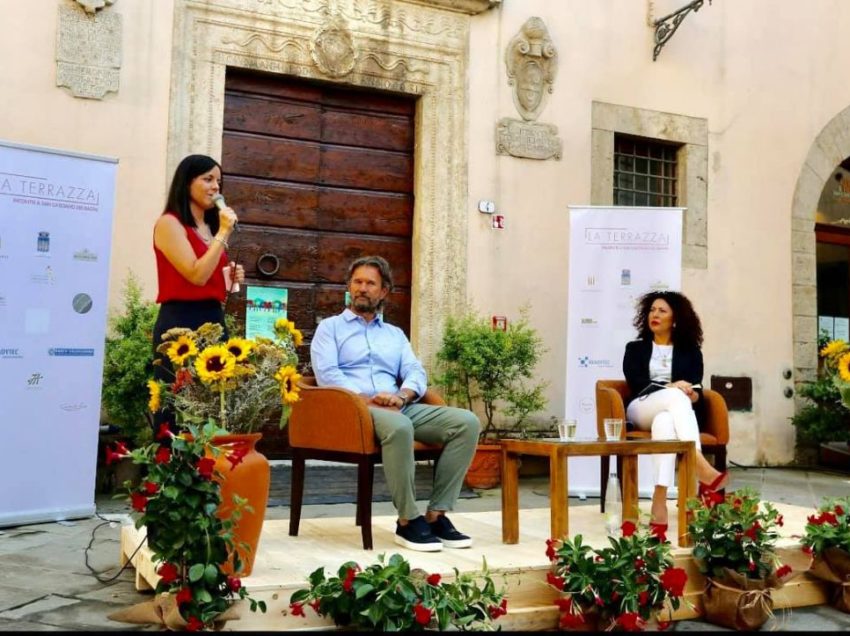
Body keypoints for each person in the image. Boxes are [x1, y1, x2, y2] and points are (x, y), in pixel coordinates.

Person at [310, 256, 480, 552]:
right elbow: (328, 375)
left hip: (399, 405)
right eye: (357, 282)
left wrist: (402, 396)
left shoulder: (394, 334)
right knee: (400, 426)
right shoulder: (330, 329)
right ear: (349, 287)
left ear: (384, 291)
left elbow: (416, 371)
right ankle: (407, 520)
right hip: (354, 410)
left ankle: (437, 514)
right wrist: (370, 399)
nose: (362, 288)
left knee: (466, 423)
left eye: (370, 283)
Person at [151, 154, 245, 433]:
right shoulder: (170, 224)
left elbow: (210, 277)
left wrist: (230, 277)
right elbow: (195, 274)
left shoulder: (211, 228)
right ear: (186, 182)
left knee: (214, 403)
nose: (216, 186)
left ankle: (208, 472)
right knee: (178, 406)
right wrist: (224, 234)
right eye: (207, 179)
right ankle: (172, 471)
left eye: (219, 180)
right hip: (180, 322)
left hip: (213, 318)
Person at [622, 290, 728, 533]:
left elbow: (697, 387)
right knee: (673, 396)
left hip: (672, 410)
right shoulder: (635, 349)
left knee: (666, 423)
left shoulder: (690, 351)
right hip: (641, 407)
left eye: (662, 311)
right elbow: (636, 384)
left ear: (675, 319)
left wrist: (692, 393)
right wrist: (672, 387)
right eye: (652, 310)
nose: (655, 315)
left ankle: (659, 501)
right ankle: (697, 464)